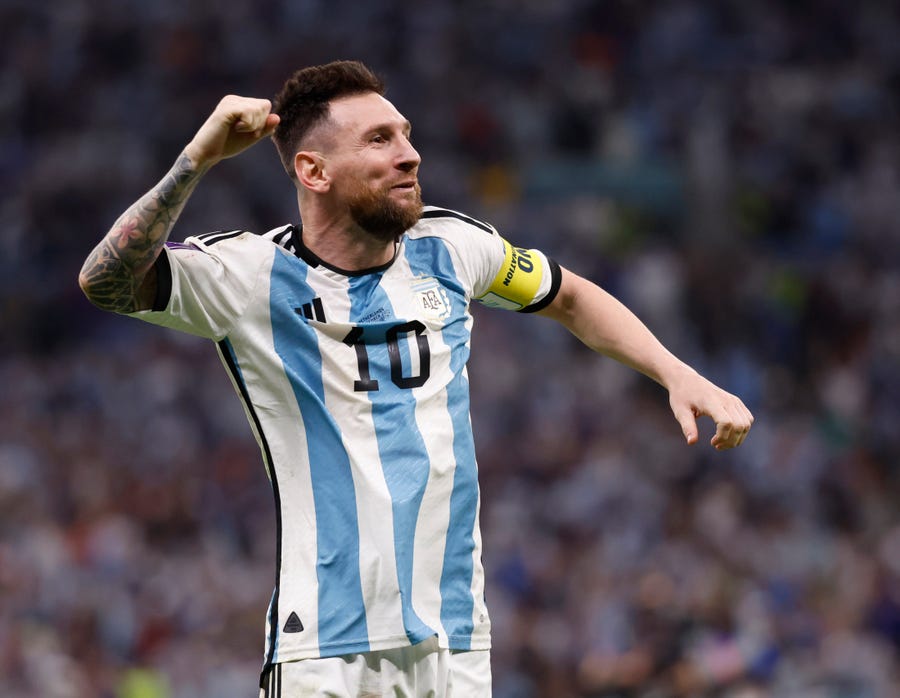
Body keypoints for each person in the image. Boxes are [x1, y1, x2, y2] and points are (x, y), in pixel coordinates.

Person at [78, 60, 753, 698]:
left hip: (454, 644)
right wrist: (195, 160)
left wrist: (675, 372)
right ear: (313, 170)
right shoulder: (248, 276)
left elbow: (570, 296)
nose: (410, 154)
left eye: (405, 134)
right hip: (324, 652)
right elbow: (105, 282)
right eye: (379, 139)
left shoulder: (451, 247)